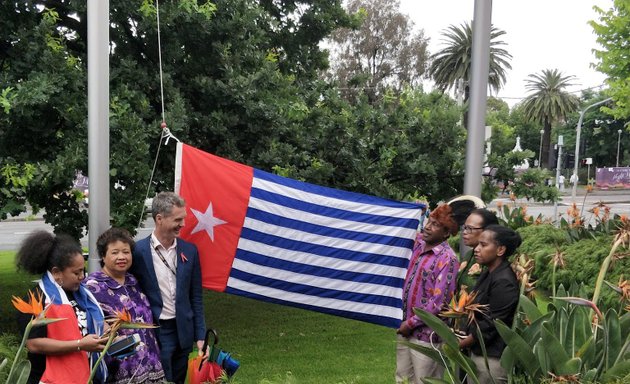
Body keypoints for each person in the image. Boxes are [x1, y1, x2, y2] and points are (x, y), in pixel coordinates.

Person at [130, 191, 206, 384]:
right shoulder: (138, 252)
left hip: (183, 330)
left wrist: (200, 335)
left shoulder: (190, 250)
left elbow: (195, 296)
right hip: (156, 330)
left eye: (183, 219)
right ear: (159, 219)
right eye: (178, 219)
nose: (183, 224)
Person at [15, 231, 108, 384]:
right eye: (76, 272)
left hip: (81, 375)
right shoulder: (37, 299)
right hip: (47, 378)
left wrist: (113, 335)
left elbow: (94, 322)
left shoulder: (82, 294)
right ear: (57, 273)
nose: (82, 277)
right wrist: (79, 345)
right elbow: (34, 344)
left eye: (82, 270)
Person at [84, 228, 166, 384]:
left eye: (125, 252)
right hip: (120, 369)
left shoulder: (134, 281)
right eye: (114, 253)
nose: (121, 257)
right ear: (103, 256)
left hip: (151, 364)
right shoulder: (92, 287)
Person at [396, 204, 460, 384]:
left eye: (435, 224)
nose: (428, 227)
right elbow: (403, 231)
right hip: (404, 329)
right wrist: (415, 214)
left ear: (446, 233)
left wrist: (410, 323)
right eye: (428, 222)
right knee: (402, 378)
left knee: (425, 380)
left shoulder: (447, 259)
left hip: (427, 335)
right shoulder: (418, 245)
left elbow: (438, 303)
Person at [458, 225, 521, 384]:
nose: (477, 249)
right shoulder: (490, 272)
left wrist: (465, 341)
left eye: (483, 245)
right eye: (478, 244)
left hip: (490, 359)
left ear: (500, 250)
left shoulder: (504, 281)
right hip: (478, 352)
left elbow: (494, 322)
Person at [457, 208, 499, 289]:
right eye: (465, 227)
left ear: (487, 231)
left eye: (470, 228)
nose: (465, 232)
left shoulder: (493, 260)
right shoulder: (469, 255)